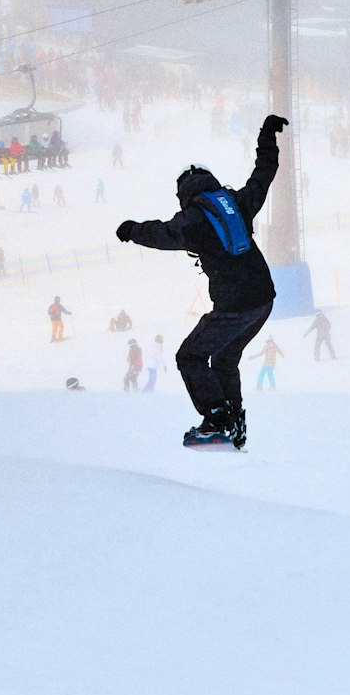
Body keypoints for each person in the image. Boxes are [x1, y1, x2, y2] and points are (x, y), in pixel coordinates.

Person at [115, 114, 287, 449]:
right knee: (223, 358)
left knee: (189, 357)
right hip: (264, 299)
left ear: (183, 192)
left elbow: (161, 234)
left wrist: (131, 230)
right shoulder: (236, 203)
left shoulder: (191, 220)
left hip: (235, 306)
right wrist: (267, 136)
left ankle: (217, 422)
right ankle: (235, 423)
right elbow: (263, 175)